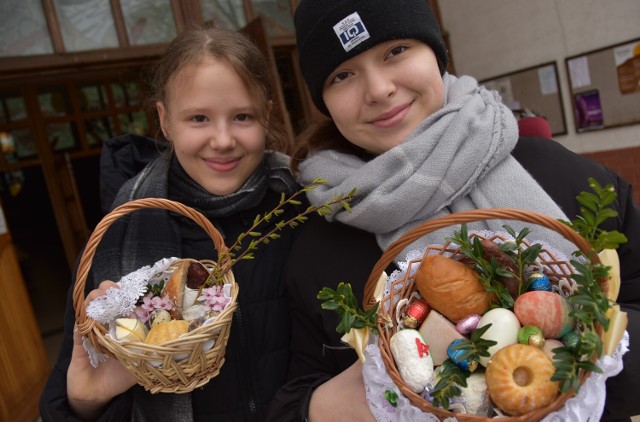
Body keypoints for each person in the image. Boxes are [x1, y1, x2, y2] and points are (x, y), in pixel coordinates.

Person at [266, 1, 640, 421]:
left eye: (395, 51)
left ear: (436, 52)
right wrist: (353, 401)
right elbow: (295, 396)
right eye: (343, 75)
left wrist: (589, 385)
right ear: (325, 101)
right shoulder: (320, 241)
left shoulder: (559, 173)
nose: (379, 89)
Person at [40, 26, 303, 421]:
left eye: (242, 116)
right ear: (164, 119)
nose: (222, 139)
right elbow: (70, 396)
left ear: (267, 113)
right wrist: (86, 399)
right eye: (198, 117)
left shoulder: (303, 207)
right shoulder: (119, 232)